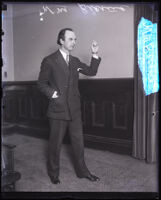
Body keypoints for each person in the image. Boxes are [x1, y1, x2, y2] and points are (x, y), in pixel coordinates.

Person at [37, 28, 101, 184]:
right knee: (55, 144)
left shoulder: (75, 61)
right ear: (61, 41)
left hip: (74, 110)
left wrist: (94, 54)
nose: (74, 42)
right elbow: (41, 84)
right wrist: (53, 95)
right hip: (57, 110)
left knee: (78, 143)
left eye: (75, 39)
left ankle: (82, 172)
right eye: (71, 39)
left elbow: (92, 71)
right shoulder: (49, 60)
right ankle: (53, 174)